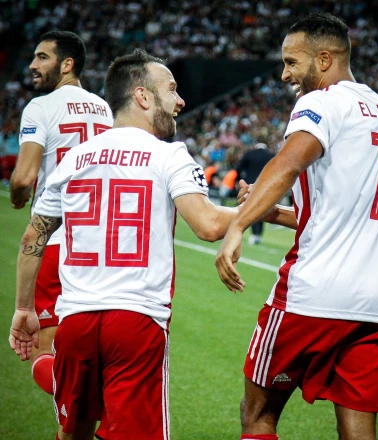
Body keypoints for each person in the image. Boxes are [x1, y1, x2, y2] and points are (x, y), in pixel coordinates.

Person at [9, 49, 297, 440]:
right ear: (142, 97)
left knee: (73, 431)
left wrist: (24, 308)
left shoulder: (74, 158)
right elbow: (209, 225)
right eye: (172, 89)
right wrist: (259, 209)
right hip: (136, 321)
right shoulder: (169, 154)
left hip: (75, 321)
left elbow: (33, 236)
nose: (181, 101)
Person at [216, 13, 378, 440]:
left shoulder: (322, 101)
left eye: (291, 62)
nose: (285, 75)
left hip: (315, 294)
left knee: (257, 413)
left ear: (323, 60)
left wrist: (238, 226)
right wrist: (273, 213)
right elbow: (346, 211)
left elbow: (287, 163)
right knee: (358, 430)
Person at [9, 30, 113, 397]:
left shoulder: (40, 107)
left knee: (47, 353)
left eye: (42, 57)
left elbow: (24, 178)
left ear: (67, 64)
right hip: (100, 246)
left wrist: (18, 197)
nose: (32, 65)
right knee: (95, 352)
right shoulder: (106, 109)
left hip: (56, 243)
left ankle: (89, 405)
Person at [236, 142, 275, 244]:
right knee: (261, 209)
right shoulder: (271, 155)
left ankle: (253, 233)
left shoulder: (249, 154)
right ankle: (258, 234)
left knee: (251, 208)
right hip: (266, 185)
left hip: (250, 185)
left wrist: (240, 180)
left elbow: (238, 168)